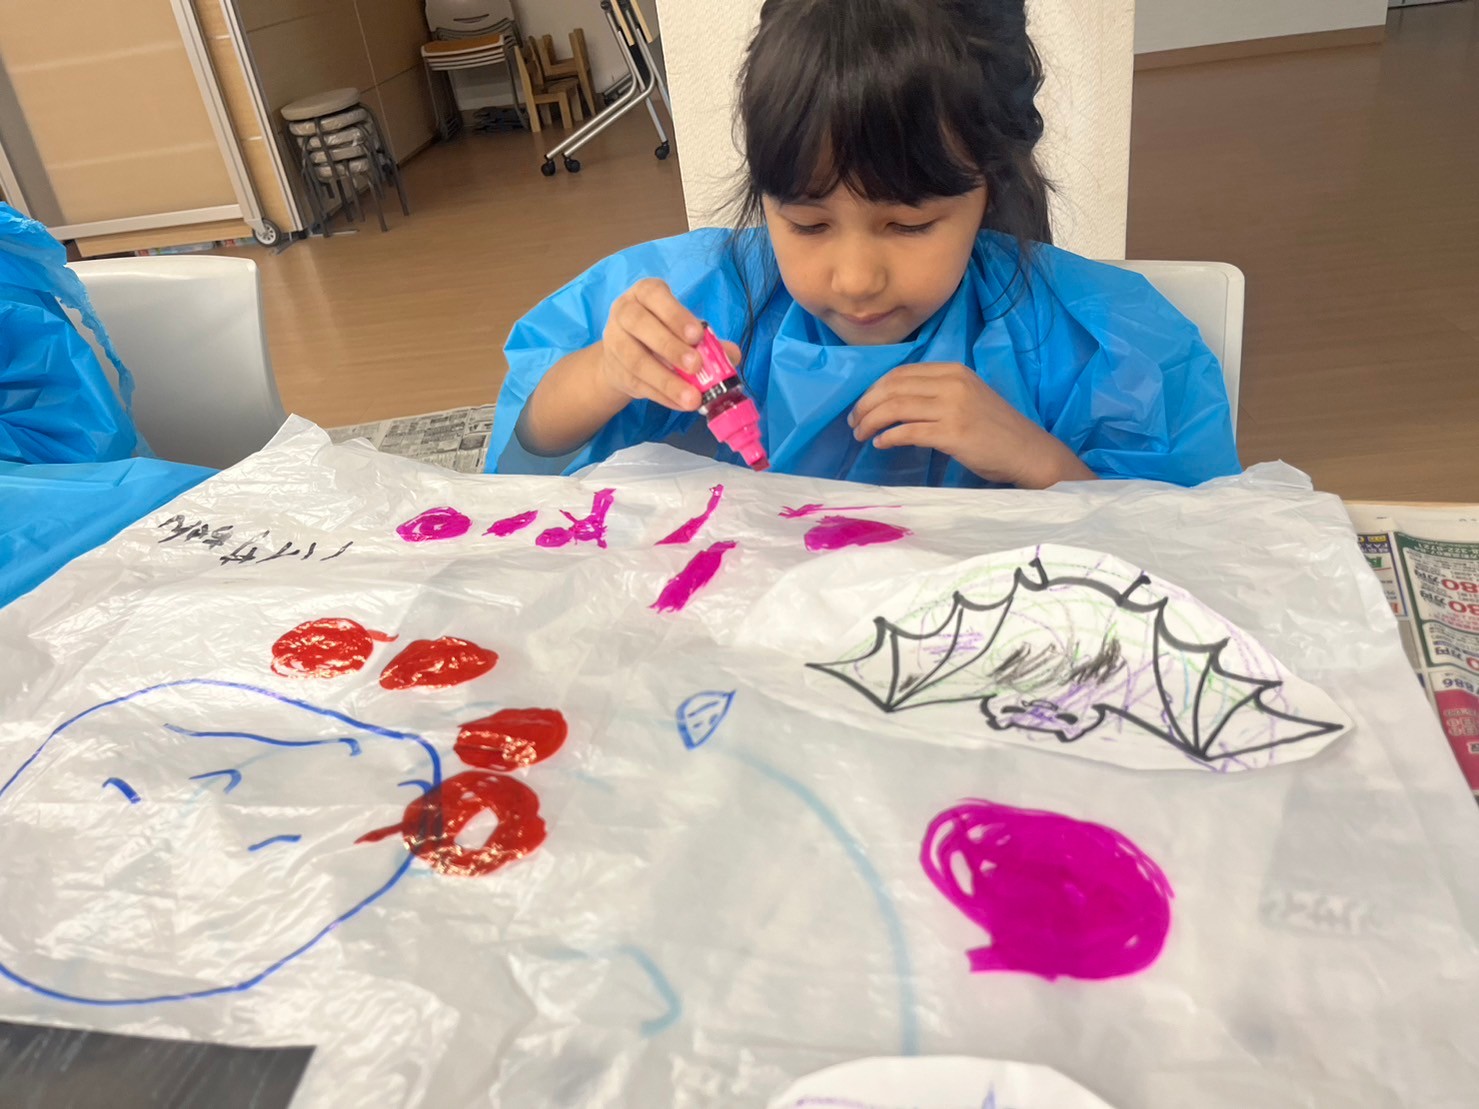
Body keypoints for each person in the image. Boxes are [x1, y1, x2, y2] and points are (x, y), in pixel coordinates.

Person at [488, 0, 1240, 488]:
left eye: (908, 226)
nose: (853, 278)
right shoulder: (714, 299)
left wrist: (1035, 460)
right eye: (807, 224)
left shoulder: (1091, 345)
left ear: (989, 186)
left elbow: (1187, 558)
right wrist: (608, 369)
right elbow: (528, 455)